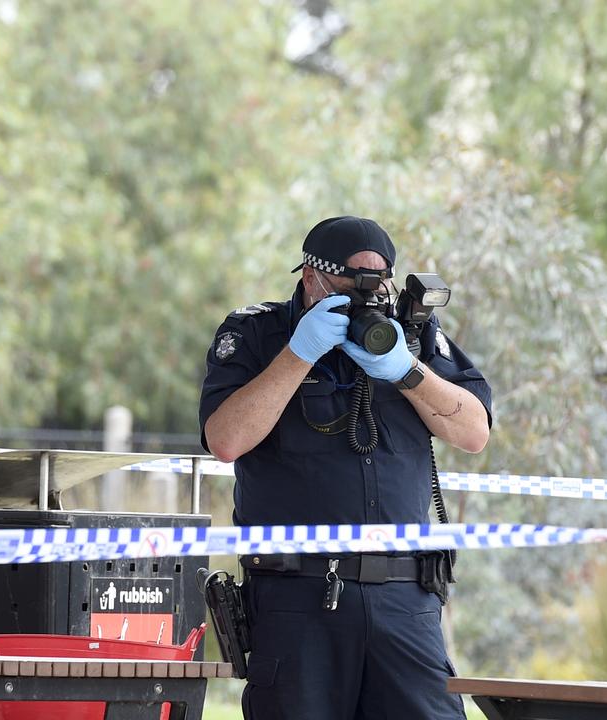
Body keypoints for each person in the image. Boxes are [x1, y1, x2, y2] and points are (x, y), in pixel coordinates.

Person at [199, 216, 492, 720]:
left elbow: (473, 432)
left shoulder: (411, 334)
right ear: (312, 276)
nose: (368, 298)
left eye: (379, 283)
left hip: (405, 599)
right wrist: (299, 353)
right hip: (298, 600)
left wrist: (407, 371)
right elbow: (225, 440)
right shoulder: (257, 333)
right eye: (353, 284)